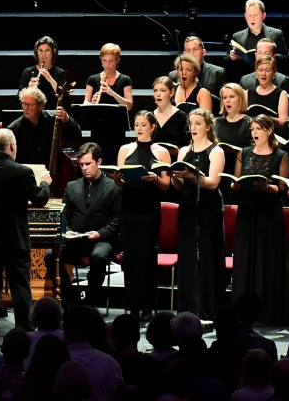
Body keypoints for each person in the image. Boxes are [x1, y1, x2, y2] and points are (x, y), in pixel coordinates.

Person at [0, 129, 52, 330]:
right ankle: (24, 327)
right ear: (12, 146)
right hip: (14, 236)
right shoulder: (23, 172)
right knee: (19, 284)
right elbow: (39, 199)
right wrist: (44, 183)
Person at [229, 114, 289, 325]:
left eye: (258, 129)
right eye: (252, 129)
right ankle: (242, 313)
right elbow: (235, 183)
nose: (254, 133)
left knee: (268, 260)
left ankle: (269, 313)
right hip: (247, 211)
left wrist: (269, 187)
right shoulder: (243, 153)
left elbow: (283, 187)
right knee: (246, 259)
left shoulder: (280, 155)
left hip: (269, 213)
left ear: (269, 131)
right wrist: (235, 185)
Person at [114, 111, 172, 319]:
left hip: (149, 210)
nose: (139, 128)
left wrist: (155, 178)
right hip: (129, 208)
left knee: (147, 257)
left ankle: (147, 307)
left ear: (152, 127)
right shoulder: (125, 149)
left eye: (143, 125)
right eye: (137, 124)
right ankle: (132, 307)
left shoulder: (162, 152)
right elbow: (120, 183)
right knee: (129, 258)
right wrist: (118, 179)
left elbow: (166, 185)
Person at [171, 109, 226, 318]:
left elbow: (212, 183)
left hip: (208, 207)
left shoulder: (215, 151)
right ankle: (188, 309)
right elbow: (178, 185)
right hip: (187, 207)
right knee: (187, 255)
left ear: (208, 126)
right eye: (191, 123)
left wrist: (192, 176)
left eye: (198, 123)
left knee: (207, 256)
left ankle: (208, 309)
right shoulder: (184, 150)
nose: (193, 128)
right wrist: (174, 175)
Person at [58, 142, 120, 307]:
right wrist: (68, 232)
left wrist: (100, 233)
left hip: (101, 239)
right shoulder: (71, 186)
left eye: (88, 164)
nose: (84, 168)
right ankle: (71, 297)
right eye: (81, 165)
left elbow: (117, 219)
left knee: (98, 256)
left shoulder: (113, 187)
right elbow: (64, 216)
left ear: (98, 162)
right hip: (75, 240)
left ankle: (91, 300)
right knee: (51, 255)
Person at [7, 87, 79, 166]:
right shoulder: (14, 128)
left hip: (54, 167)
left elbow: (76, 135)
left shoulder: (54, 119)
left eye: (30, 105)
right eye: (24, 104)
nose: (26, 108)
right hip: (27, 171)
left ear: (40, 105)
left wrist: (67, 120)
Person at [228, 0, 289, 83]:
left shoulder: (276, 34)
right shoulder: (237, 36)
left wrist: (271, 56)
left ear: (263, 16)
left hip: (270, 80)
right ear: (245, 16)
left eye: (255, 15)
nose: (252, 19)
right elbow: (226, 61)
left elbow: (286, 59)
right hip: (246, 81)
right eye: (249, 15)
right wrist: (230, 57)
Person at [19, 36, 69, 110]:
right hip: (33, 113)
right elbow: (19, 99)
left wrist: (49, 78)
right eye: (40, 51)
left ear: (53, 51)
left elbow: (65, 98)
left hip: (53, 112)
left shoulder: (61, 73)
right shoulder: (28, 72)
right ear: (36, 52)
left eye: (47, 51)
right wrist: (28, 89)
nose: (43, 55)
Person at [83, 43, 134, 111]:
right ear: (101, 60)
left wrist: (112, 93)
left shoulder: (125, 79)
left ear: (117, 60)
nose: (107, 65)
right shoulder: (92, 79)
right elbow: (85, 103)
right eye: (104, 60)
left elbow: (129, 106)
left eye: (111, 61)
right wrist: (92, 103)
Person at [244, 57, 289, 127]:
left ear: (274, 73)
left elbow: (283, 122)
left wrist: (267, 119)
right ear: (256, 72)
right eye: (260, 70)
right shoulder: (248, 92)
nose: (263, 74)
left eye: (267, 70)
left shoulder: (281, 94)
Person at [151, 76, 189, 146]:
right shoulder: (150, 116)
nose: (158, 94)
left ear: (171, 92)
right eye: (155, 90)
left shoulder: (182, 117)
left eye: (162, 90)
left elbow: (185, 145)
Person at [216, 83, 253, 148]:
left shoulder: (250, 123)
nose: (227, 100)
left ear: (240, 99)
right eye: (225, 97)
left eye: (232, 97)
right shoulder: (216, 122)